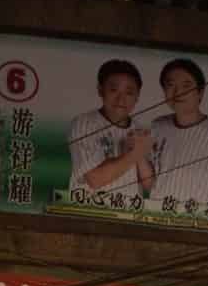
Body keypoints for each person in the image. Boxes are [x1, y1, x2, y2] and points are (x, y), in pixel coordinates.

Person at [147, 57, 208, 211]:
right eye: (170, 86)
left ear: (200, 92)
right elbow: (151, 182)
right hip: (156, 217)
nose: (178, 93)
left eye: (186, 85)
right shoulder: (157, 126)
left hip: (196, 224)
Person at [66, 58, 154, 201]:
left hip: (127, 214)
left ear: (137, 97)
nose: (121, 99)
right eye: (114, 90)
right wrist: (135, 153)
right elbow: (95, 179)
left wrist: (140, 154)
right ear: (101, 90)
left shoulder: (140, 130)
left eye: (129, 92)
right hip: (87, 213)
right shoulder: (84, 123)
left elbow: (150, 185)